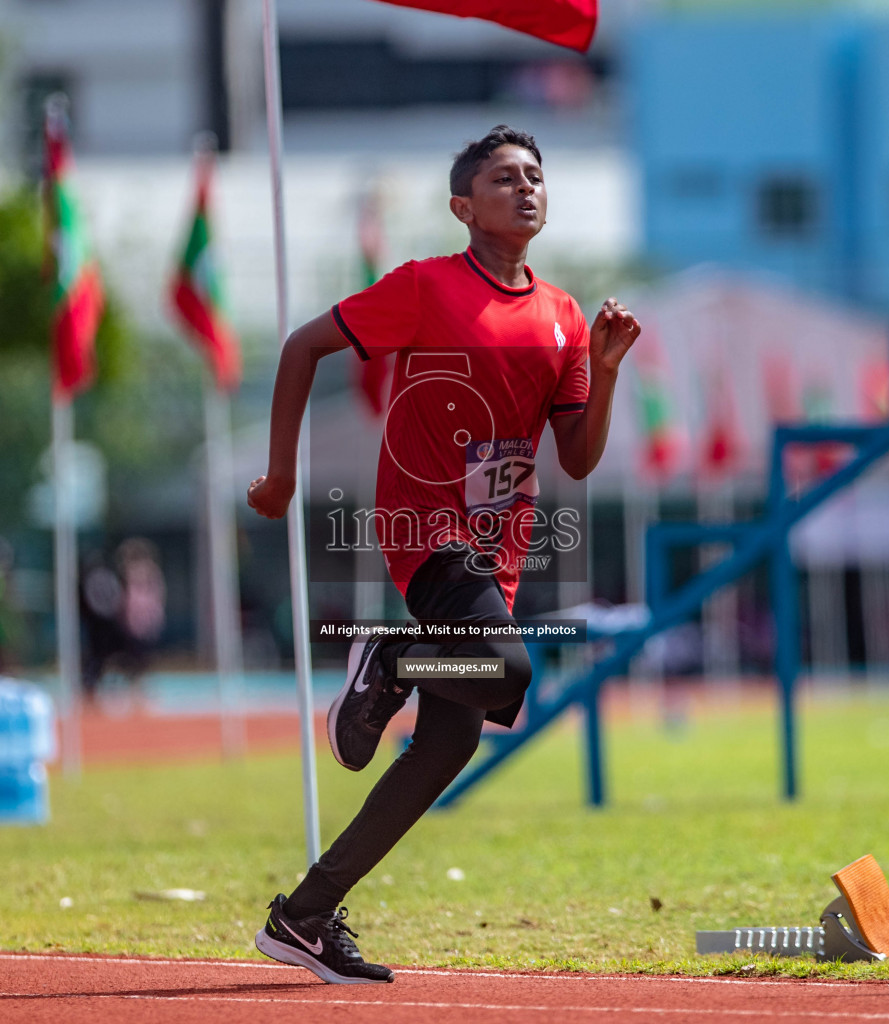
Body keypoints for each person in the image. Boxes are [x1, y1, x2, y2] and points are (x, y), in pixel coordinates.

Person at [246, 126, 641, 984]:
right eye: (504, 179)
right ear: (464, 207)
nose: (526, 188)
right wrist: (281, 474)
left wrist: (604, 373)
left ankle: (305, 917)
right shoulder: (427, 286)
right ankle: (386, 656)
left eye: (536, 175)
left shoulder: (567, 316)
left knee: (448, 742)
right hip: (426, 523)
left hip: (497, 548)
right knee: (512, 669)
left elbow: (577, 458)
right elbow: (302, 347)